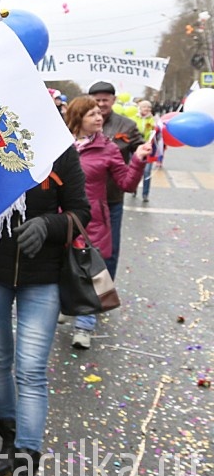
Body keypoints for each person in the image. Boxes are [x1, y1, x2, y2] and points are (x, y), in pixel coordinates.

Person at [0, 145, 90, 476]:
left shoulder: (60, 147)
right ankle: (9, 440)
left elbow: (80, 211)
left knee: (32, 372)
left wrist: (48, 224)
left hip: (44, 276)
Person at [65, 95, 151, 350]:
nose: (99, 117)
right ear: (78, 118)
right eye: (91, 114)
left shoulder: (108, 148)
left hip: (93, 220)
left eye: (99, 113)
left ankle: (84, 325)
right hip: (62, 217)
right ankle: (65, 303)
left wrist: (137, 159)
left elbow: (126, 183)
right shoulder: (59, 144)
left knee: (90, 271)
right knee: (61, 267)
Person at [87, 81, 143, 278]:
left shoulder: (127, 125)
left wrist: (146, 152)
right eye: (97, 100)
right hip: (83, 200)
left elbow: (139, 148)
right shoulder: (79, 123)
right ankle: (79, 291)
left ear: (114, 100)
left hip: (112, 199)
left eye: (105, 100)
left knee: (109, 250)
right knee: (79, 247)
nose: (101, 104)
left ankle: (104, 291)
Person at [132, 99, 160, 203]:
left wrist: (156, 130)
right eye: (145, 107)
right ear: (140, 108)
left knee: (147, 172)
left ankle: (145, 194)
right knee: (135, 170)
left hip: (148, 148)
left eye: (149, 107)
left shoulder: (153, 120)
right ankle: (133, 188)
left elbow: (157, 133)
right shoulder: (134, 118)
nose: (147, 109)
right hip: (135, 147)